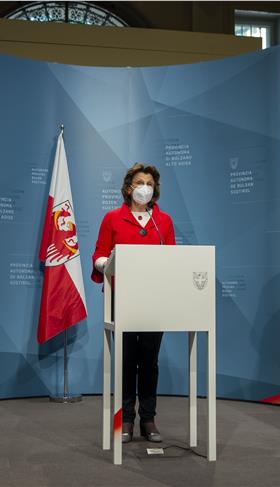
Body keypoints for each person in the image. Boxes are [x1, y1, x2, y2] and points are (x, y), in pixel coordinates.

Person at [91, 163, 176, 443]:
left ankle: (148, 419)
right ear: (129, 187)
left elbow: (172, 260)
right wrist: (110, 262)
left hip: (155, 300)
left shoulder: (162, 221)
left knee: (149, 362)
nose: (145, 188)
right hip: (121, 298)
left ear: (155, 190)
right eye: (140, 182)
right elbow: (99, 256)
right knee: (127, 361)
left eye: (150, 184)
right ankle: (126, 418)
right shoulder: (112, 218)